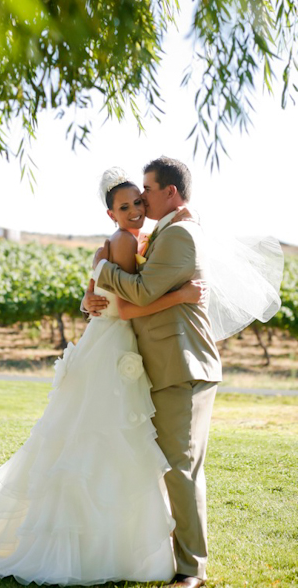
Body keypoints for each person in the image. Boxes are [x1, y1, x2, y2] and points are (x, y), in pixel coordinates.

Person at [0, 170, 207, 586]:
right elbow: (129, 303)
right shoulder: (122, 242)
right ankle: (119, 545)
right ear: (110, 212)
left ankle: (135, 545)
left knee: (106, 439)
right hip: (116, 344)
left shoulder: (141, 239)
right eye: (127, 205)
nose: (138, 208)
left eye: (140, 199)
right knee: (108, 439)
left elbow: (105, 296)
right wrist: (173, 292)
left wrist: (93, 284)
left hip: (121, 349)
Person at [84, 157, 222, 588]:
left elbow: (139, 294)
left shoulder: (180, 234)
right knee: (168, 466)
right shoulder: (161, 230)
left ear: (171, 193)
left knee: (180, 469)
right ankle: (168, 554)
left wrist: (100, 268)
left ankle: (191, 570)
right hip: (161, 364)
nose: (141, 197)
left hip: (180, 365)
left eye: (147, 188)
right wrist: (92, 294)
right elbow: (125, 300)